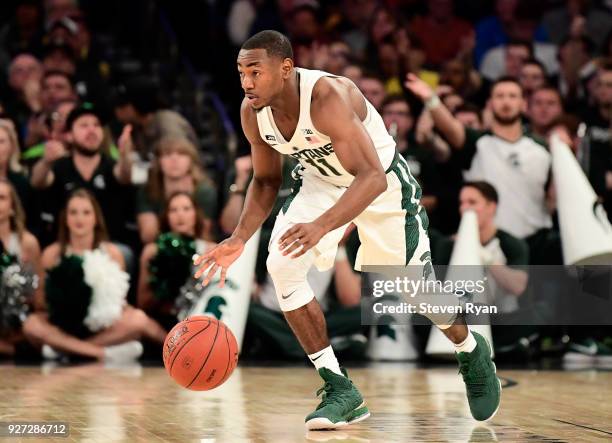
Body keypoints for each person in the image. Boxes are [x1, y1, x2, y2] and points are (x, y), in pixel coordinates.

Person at [194, 30, 501, 429]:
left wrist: (322, 226)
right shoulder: (253, 111)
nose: (247, 83)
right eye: (241, 73)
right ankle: (340, 388)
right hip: (321, 182)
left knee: (415, 289)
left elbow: (371, 177)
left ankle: (469, 348)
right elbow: (267, 181)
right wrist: (238, 238)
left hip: (381, 183)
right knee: (281, 263)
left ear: (285, 68)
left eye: (255, 71)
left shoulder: (326, 97)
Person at [405, 75, 556, 259]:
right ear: (490, 103)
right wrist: (431, 99)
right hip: (488, 245)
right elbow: (451, 128)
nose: (506, 101)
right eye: (499, 96)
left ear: (524, 103)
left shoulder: (543, 148)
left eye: (512, 96)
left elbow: (554, 196)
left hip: (537, 242)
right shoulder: (477, 143)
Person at [22, 189, 166, 361]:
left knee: (138, 319)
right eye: (73, 212)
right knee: (31, 324)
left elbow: (121, 302)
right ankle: (102, 353)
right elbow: (40, 303)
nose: (79, 218)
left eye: (86, 212)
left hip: (102, 326)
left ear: (96, 218)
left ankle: (65, 350)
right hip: (62, 325)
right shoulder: (52, 254)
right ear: (65, 218)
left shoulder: (112, 253)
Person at [30, 102, 134, 246]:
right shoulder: (60, 165)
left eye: (97, 125)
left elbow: (124, 176)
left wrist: (125, 155)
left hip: (109, 246)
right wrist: (46, 161)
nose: (92, 130)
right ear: (69, 136)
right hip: (65, 245)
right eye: (84, 125)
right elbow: (37, 181)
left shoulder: (112, 165)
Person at [137, 191, 215, 330]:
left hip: (202, 321)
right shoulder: (152, 251)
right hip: (164, 320)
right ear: (166, 216)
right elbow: (142, 302)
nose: (180, 214)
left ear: (195, 214)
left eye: (186, 209)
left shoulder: (212, 250)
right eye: (173, 210)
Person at [136, 137, 217, 244]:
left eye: (181, 154)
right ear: (159, 161)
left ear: (191, 160)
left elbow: (203, 234)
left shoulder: (204, 191)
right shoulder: (148, 190)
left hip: (197, 245)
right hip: (161, 246)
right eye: (167, 154)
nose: (174, 159)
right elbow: (148, 237)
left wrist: (187, 199)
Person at [0, 179, 42, 357]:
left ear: (12, 207)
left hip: (17, 318)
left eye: (1, 198)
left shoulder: (28, 242)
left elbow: (38, 296)